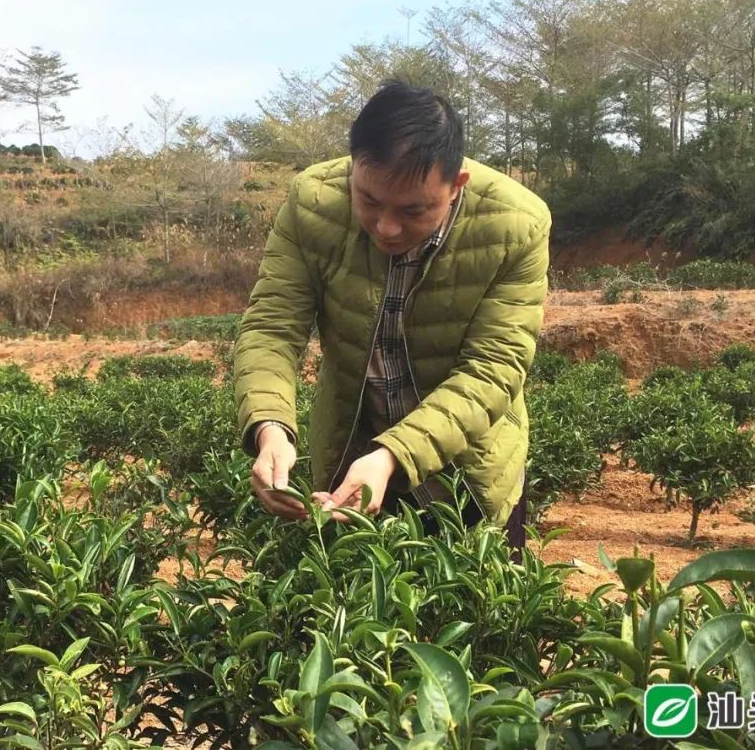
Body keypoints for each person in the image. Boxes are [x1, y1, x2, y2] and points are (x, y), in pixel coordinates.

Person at [232, 80, 550, 550]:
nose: (387, 227)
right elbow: (272, 328)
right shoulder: (311, 203)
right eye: (369, 201)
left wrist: (392, 455)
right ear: (353, 169)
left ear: (455, 185)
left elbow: (495, 369)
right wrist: (269, 425)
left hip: (467, 476)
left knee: (481, 615)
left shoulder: (515, 225)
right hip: (349, 469)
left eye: (413, 210)